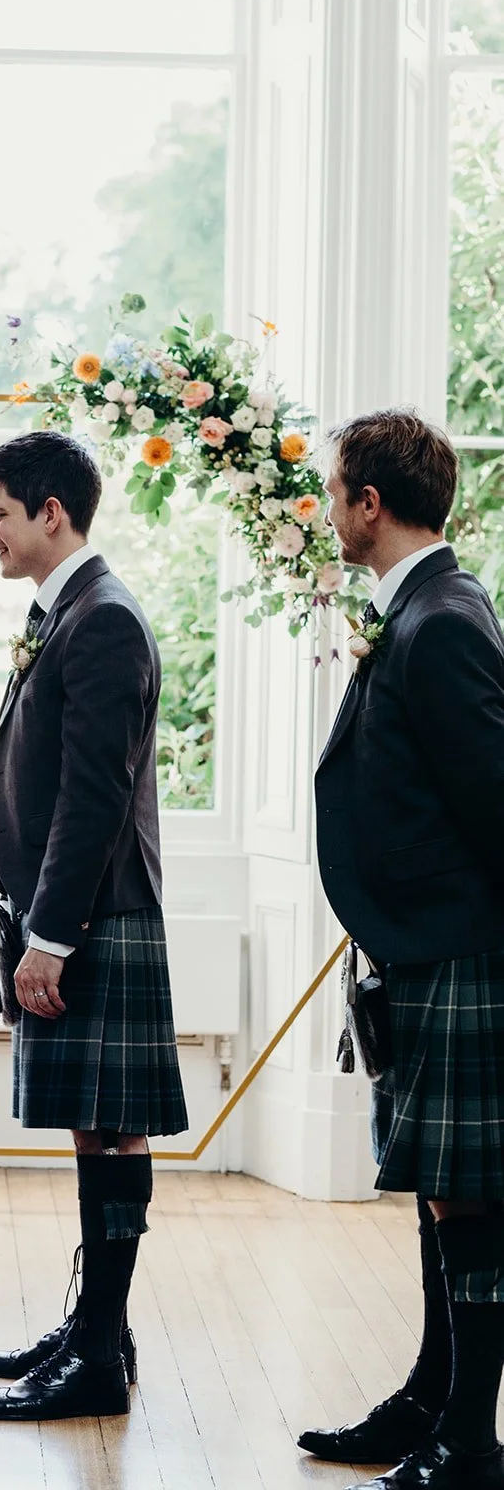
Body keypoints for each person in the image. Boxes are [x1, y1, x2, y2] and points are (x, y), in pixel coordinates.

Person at [0, 430, 188, 1424]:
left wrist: (48, 934)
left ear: (50, 512)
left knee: (110, 1129)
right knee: (96, 1128)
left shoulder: (101, 620)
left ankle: (97, 1356)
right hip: (71, 912)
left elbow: (90, 797)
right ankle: (101, 1330)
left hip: (94, 916)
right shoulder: (71, 611)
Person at [300, 410, 504, 1489]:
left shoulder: (442, 619)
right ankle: (430, 1402)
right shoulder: (414, 608)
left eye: (335, 494)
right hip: (418, 947)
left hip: (454, 948)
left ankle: (467, 1444)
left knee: (464, 1194)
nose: (329, 512)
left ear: (368, 504)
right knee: (440, 1183)